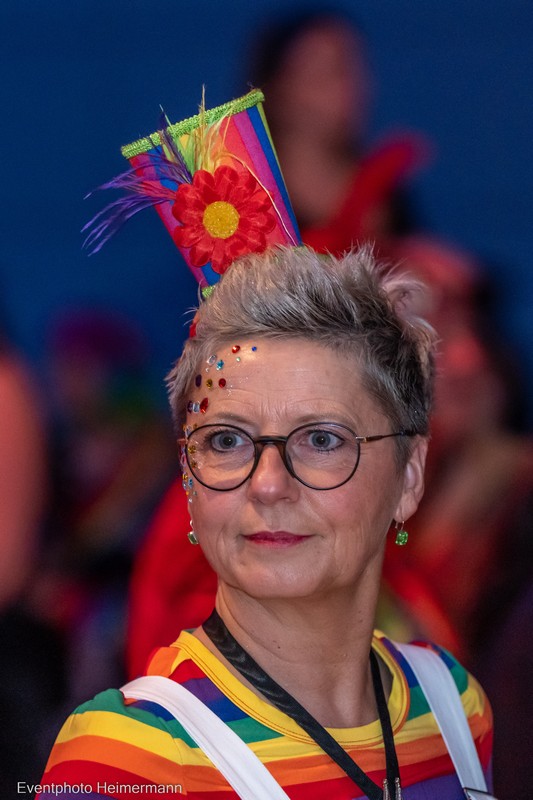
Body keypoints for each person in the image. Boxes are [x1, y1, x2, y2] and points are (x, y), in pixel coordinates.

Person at [37, 92, 493, 799]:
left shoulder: (453, 709)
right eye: (226, 440)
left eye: (320, 439)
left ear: (409, 474)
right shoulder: (129, 758)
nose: (268, 482)